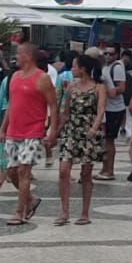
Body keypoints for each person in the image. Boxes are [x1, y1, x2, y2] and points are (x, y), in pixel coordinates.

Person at [0, 42, 58, 226]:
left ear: (28, 56)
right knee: (11, 171)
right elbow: (11, 105)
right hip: (13, 131)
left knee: (24, 171)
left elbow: (53, 105)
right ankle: (31, 199)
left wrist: (52, 130)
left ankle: (19, 212)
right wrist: (2, 128)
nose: (16, 56)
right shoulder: (15, 77)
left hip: (33, 131)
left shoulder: (42, 79)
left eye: (19, 53)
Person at [53, 53, 105, 224]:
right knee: (63, 170)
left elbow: (100, 111)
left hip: (89, 132)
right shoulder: (72, 87)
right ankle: (65, 211)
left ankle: (85, 213)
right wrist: (56, 132)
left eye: (75, 66)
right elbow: (65, 111)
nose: (72, 69)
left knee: (86, 173)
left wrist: (94, 128)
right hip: (71, 131)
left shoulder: (99, 87)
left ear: (83, 69)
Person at [98, 46, 128, 180]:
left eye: (111, 54)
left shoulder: (117, 67)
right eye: (106, 53)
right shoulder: (105, 67)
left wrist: (110, 91)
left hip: (114, 109)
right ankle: (105, 168)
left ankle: (109, 170)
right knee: (105, 140)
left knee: (109, 140)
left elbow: (122, 87)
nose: (108, 56)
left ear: (117, 55)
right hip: (106, 108)